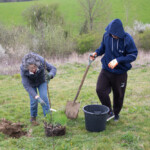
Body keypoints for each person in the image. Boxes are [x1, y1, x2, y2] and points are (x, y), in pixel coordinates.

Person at [90, 19, 138, 121]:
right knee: (100, 89)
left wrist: (118, 60)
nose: (113, 36)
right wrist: (96, 53)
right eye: (112, 34)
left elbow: (133, 55)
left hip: (120, 72)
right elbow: (102, 48)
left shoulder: (127, 39)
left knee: (118, 95)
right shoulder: (106, 35)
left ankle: (116, 113)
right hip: (106, 70)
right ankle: (109, 111)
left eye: (115, 35)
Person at [20, 52, 57, 125]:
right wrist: (37, 97)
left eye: (35, 67)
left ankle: (48, 117)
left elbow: (53, 68)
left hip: (41, 81)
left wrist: (50, 75)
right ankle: (33, 117)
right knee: (34, 101)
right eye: (31, 68)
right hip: (31, 84)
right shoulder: (23, 68)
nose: (33, 69)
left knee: (44, 97)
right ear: (27, 67)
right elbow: (26, 85)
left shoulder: (41, 61)